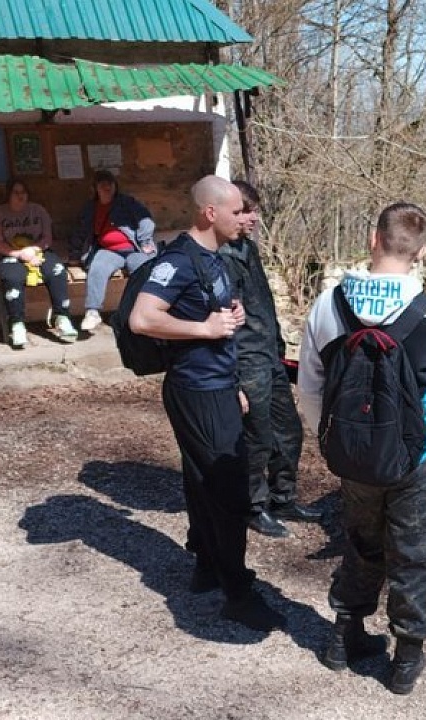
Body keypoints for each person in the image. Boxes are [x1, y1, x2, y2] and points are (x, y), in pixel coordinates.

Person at [298, 201, 426, 695]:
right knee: (419, 550)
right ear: (422, 253)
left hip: (352, 455)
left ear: (373, 239)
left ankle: (343, 637)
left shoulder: (328, 304)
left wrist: (335, 442)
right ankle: (406, 658)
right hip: (418, 453)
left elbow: (310, 385)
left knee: (361, 540)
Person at [127, 175, 281, 632]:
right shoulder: (178, 261)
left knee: (201, 482)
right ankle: (238, 593)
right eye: (236, 211)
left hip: (217, 386)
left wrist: (228, 329)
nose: (245, 218)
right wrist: (205, 329)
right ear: (210, 213)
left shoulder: (214, 259)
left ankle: (207, 566)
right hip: (196, 391)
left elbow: (211, 316)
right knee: (229, 489)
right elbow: (142, 318)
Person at [218, 180, 317, 540]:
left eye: (254, 211)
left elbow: (262, 306)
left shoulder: (248, 249)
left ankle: (283, 497)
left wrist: (278, 346)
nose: (253, 218)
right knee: (257, 438)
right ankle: (253, 506)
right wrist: (233, 380)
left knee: (289, 431)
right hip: (246, 362)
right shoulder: (219, 259)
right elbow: (223, 324)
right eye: (246, 211)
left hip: (270, 356)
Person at [0, 178, 77, 348]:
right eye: (16, 192)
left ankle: (62, 317)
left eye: (23, 192)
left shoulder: (38, 210)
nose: (20, 196)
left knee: (57, 270)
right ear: (8, 194)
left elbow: (47, 238)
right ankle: (17, 324)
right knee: (13, 277)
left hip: (38, 251)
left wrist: (34, 250)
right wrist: (20, 254)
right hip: (10, 253)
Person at [69, 169, 157, 332]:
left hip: (133, 249)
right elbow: (80, 232)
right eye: (102, 184)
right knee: (97, 268)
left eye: (109, 183)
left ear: (115, 186)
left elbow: (146, 221)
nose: (106, 187)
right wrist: (75, 254)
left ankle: (147, 311)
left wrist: (145, 242)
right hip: (108, 250)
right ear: (95, 188)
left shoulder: (127, 203)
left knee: (144, 270)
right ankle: (93, 312)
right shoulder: (91, 208)